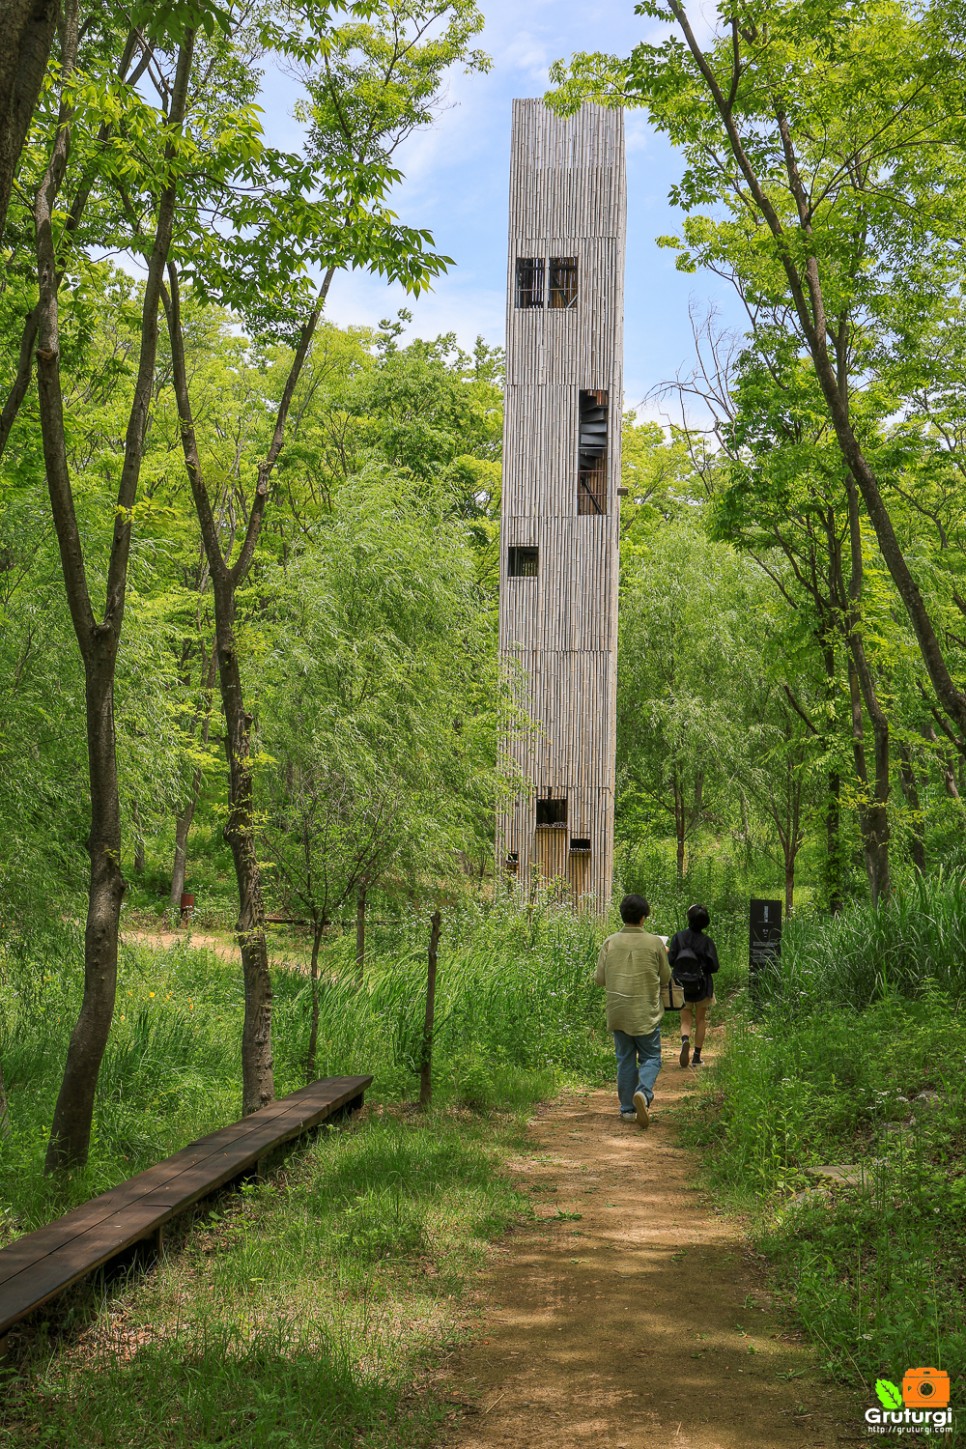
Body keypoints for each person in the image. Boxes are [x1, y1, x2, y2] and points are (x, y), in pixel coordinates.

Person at [595, 893, 671, 1128]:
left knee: (625, 1058)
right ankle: (644, 1094)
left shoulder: (610, 942)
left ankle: (628, 1110)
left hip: (618, 1010)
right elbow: (666, 977)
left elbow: (599, 979)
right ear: (643, 917)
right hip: (644, 1011)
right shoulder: (655, 943)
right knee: (650, 1057)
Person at [668, 903, 720, 1067]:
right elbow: (714, 966)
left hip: (682, 986)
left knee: (685, 1019)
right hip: (702, 986)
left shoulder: (679, 937)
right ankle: (697, 1056)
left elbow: (671, 961)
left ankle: (685, 1039)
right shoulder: (707, 941)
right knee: (700, 1020)